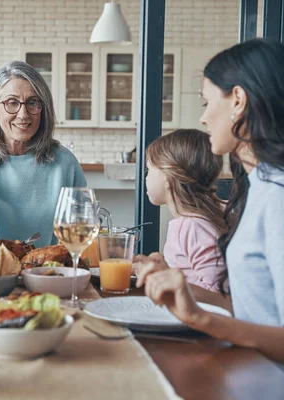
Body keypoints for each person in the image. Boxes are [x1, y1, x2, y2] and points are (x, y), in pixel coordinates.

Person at [137, 38, 284, 364]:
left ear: (237, 100)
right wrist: (184, 292)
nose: (203, 119)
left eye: (206, 102)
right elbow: (255, 312)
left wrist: (203, 319)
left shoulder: (277, 196)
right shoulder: (257, 186)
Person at [0, 61, 87, 247]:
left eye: (33, 103)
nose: (23, 115)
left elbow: (84, 226)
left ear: (43, 109)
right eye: (12, 103)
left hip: (49, 272)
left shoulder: (65, 162)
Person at [135, 129, 229, 309]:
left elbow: (219, 296)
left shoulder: (194, 226)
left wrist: (164, 276)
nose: (145, 177)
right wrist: (164, 267)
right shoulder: (187, 223)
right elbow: (190, 274)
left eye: (149, 170)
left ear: (167, 177)